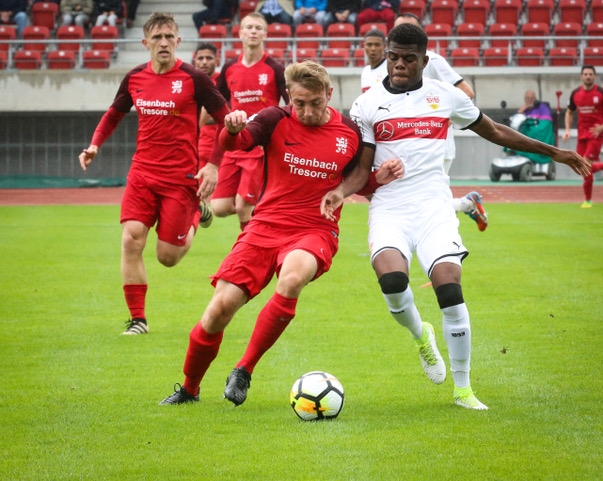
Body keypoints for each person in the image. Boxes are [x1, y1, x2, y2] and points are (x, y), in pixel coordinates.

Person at [320, 23, 591, 410]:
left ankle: (463, 390)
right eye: (393, 57)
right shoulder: (367, 104)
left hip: (434, 206)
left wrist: (555, 152)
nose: (398, 64)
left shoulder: (445, 96)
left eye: (408, 58)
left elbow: (495, 131)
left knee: (449, 288)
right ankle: (421, 337)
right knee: (393, 283)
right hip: (390, 208)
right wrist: (340, 192)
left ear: (424, 60)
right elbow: (362, 170)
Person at [159, 60, 401, 407]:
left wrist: (379, 178)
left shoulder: (349, 132)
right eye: (299, 103)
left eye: (315, 102)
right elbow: (239, 142)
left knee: (292, 278)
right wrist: (231, 128)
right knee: (219, 310)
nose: (307, 111)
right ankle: (189, 389)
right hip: (265, 226)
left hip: (315, 228)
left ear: (329, 94)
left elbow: (357, 181)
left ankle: (244, 369)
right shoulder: (274, 118)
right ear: (289, 96)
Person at [79, 12, 230, 335]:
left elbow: (226, 120)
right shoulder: (135, 77)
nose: (163, 43)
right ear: (145, 42)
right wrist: (94, 145)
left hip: (180, 178)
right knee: (131, 239)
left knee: (168, 257)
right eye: (157, 37)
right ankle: (138, 320)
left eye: (169, 37)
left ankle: (196, 215)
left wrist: (213, 165)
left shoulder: (194, 78)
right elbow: (114, 113)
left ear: (178, 41)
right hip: (142, 173)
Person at [395, 12, 488, 231]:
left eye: (409, 28)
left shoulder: (432, 60)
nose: (404, 33)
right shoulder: (390, 63)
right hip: (407, 143)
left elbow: (466, 92)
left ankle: (447, 239)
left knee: (429, 204)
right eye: (399, 28)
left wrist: (437, 119)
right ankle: (466, 203)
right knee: (414, 201)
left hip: (438, 145)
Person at [213, 12, 289, 231]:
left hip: (259, 147)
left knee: (243, 206)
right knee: (219, 207)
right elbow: (218, 103)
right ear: (240, 33)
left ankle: (252, 245)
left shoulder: (275, 68)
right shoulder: (229, 68)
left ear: (265, 34)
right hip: (234, 144)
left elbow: (291, 105)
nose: (253, 31)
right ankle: (266, 211)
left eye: (258, 28)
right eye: (249, 27)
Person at [562, 66, 603, 208]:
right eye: (585, 74)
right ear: (581, 76)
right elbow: (569, 112)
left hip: (596, 135)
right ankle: (588, 199)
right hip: (582, 135)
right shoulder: (576, 93)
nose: (588, 76)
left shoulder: (600, 92)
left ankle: (588, 200)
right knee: (581, 166)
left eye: (590, 74)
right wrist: (567, 130)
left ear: (595, 76)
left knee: (586, 165)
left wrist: (601, 127)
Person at [194, 41, 221, 228]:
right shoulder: (190, 81)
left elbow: (227, 112)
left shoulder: (222, 81)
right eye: (201, 58)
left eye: (209, 58)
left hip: (223, 145)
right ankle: (199, 213)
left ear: (216, 60)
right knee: (194, 191)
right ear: (195, 60)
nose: (204, 62)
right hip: (199, 144)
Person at [512, 89, 556, 165]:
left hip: (537, 133)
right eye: (527, 98)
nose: (530, 100)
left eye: (532, 98)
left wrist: (531, 128)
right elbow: (515, 123)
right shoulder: (522, 109)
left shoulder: (543, 108)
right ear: (524, 99)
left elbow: (546, 123)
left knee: (531, 132)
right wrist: (521, 111)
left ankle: (531, 155)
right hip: (523, 133)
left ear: (535, 99)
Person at [360, 28, 387, 93]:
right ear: (364, 46)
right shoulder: (365, 71)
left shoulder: (389, 70)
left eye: (377, 45)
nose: (373, 49)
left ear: (384, 46)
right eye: (369, 45)